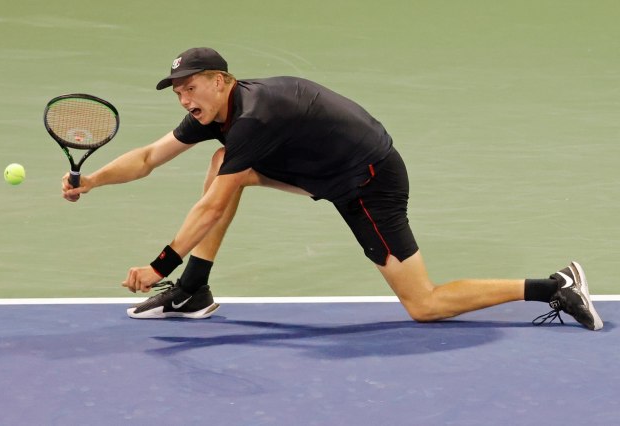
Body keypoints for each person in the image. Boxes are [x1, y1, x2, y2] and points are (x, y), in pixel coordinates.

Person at [61, 47, 603, 331]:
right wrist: (91, 181)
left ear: (222, 80)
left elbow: (210, 208)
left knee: (424, 304)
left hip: (368, 181)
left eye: (192, 87)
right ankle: (192, 291)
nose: (184, 99)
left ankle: (553, 285)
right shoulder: (218, 112)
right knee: (226, 164)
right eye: (178, 91)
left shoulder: (254, 120)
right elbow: (150, 157)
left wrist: (158, 264)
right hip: (323, 165)